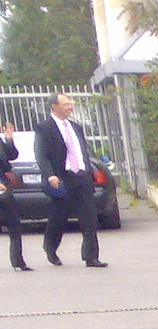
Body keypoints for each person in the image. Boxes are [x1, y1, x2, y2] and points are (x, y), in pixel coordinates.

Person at [34, 92, 105, 268]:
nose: (70, 107)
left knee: (89, 217)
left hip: (81, 176)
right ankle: (50, 247)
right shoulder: (45, 128)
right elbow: (41, 155)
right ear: (54, 107)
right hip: (62, 178)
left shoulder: (75, 127)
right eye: (66, 104)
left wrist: (87, 170)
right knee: (59, 218)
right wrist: (50, 174)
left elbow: (81, 152)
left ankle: (91, 257)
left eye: (70, 103)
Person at [0, 124, 29, 271]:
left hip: (3, 186)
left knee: (14, 223)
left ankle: (18, 261)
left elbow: (11, 155)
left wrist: (8, 139)